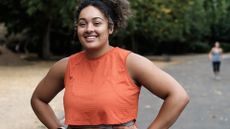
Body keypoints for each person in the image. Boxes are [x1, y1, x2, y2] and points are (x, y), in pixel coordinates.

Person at [31, 0, 189, 129]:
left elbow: (178, 96)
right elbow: (38, 99)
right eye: (82, 24)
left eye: (97, 23)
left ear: (110, 27)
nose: (89, 29)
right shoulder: (65, 66)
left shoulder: (130, 62)